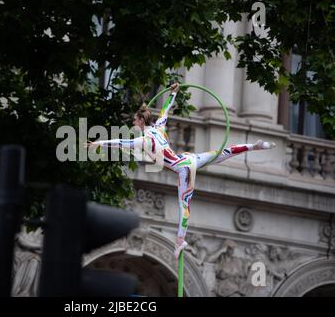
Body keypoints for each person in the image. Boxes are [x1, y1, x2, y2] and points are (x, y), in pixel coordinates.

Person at [87, 83, 276, 259]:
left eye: (134, 120)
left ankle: (179, 241)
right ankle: (254, 146)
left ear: (140, 121)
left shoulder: (144, 140)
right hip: (189, 158)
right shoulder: (159, 128)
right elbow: (165, 110)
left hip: (183, 167)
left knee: (184, 206)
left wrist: (99, 143)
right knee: (223, 153)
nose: (133, 123)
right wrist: (174, 92)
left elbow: (121, 143)